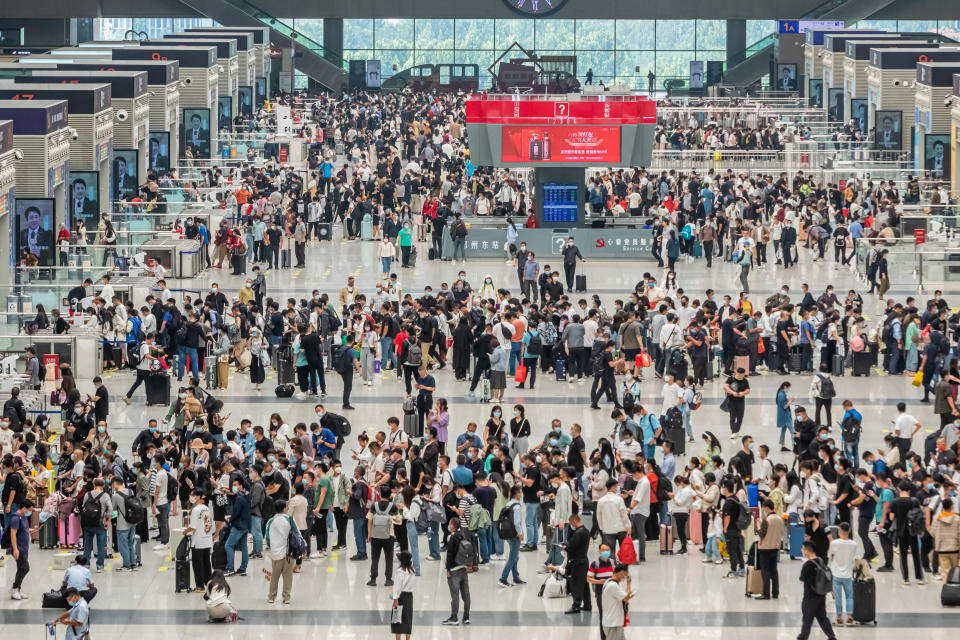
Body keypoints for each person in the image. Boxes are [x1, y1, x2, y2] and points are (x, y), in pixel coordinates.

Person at [797, 541, 838, 640]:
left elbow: (802, 580)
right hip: (821, 595)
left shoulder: (807, 565)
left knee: (807, 619)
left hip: (810, 597)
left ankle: (802, 637)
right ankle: (832, 637)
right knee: (822, 618)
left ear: (807, 550)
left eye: (802, 549)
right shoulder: (820, 560)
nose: (801, 550)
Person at [827, 522, 860, 626]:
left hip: (836, 573)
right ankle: (850, 617)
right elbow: (855, 558)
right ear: (849, 531)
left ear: (839, 531)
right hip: (848, 574)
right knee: (849, 596)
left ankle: (839, 618)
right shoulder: (854, 544)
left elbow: (829, 556)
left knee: (838, 597)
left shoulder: (834, 543)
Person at [442, 517, 473, 626]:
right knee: (466, 594)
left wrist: (448, 569)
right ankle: (466, 617)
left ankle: (454, 617)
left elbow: (450, 555)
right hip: (463, 569)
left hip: (454, 570)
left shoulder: (452, 537)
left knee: (455, 596)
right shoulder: (463, 535)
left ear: (451, 526)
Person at [264, 499, 296, 604]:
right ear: (284, 508)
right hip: (289, 553)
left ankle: (271, 597)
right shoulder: (290, 519)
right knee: (288, 576)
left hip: (276, 553)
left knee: (274, 576)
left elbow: (267, 538)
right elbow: (297, 534)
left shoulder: (270, 521)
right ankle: (286, 597)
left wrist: (271, 547)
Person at [184, 489, 214, 591]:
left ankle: (199, 586)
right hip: (207, 539)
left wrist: (184, 532)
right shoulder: (206, 508)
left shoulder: (196, 510)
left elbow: (193, 527)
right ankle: (208, 583)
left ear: (197, 496)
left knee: (197, 564)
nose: (190, 497)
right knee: (206, 563)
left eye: (191, 495)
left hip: (198, 541)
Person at [601, 563, 635, 640]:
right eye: (625, 574)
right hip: (613, 624)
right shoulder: (613, 585)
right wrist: (628, 584)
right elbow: (626, 597)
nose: (625, 576)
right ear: (621, 572)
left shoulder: (608, 581)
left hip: (614, 622)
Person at [7, 499, 33, 599]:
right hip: (18, 548)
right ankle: (14, 588)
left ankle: (17, 589)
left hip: (24, 547)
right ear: (23, 508)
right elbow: (13, 533)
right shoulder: (16, 518)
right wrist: (15, 549)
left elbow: (23, 529)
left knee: (20, 568)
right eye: (28, 510)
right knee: (25, 568)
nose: (29, 512)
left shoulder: (23, 517)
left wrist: (31, 530)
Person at [390, 550, 417, 640]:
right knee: (408, 619)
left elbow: (397, 587)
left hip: (400, 597)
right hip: (409, 597)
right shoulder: (412, 570)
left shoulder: (400, 571)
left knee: (397, 621)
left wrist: (395, 599)